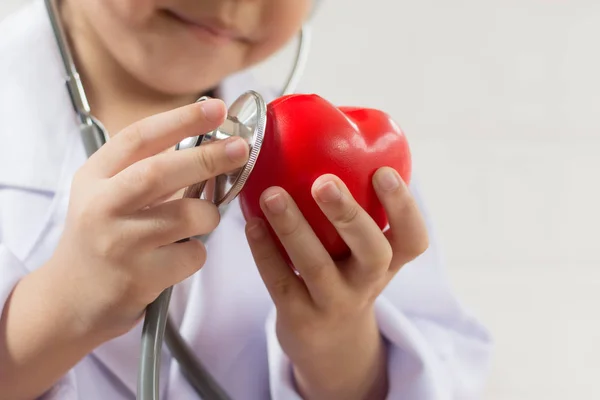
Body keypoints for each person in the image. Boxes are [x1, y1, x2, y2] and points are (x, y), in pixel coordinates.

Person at [0, 0, 492, 399]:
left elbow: (443, 374)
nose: (231, 5)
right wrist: (58, 313)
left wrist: (338, 351)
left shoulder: (338, 159)